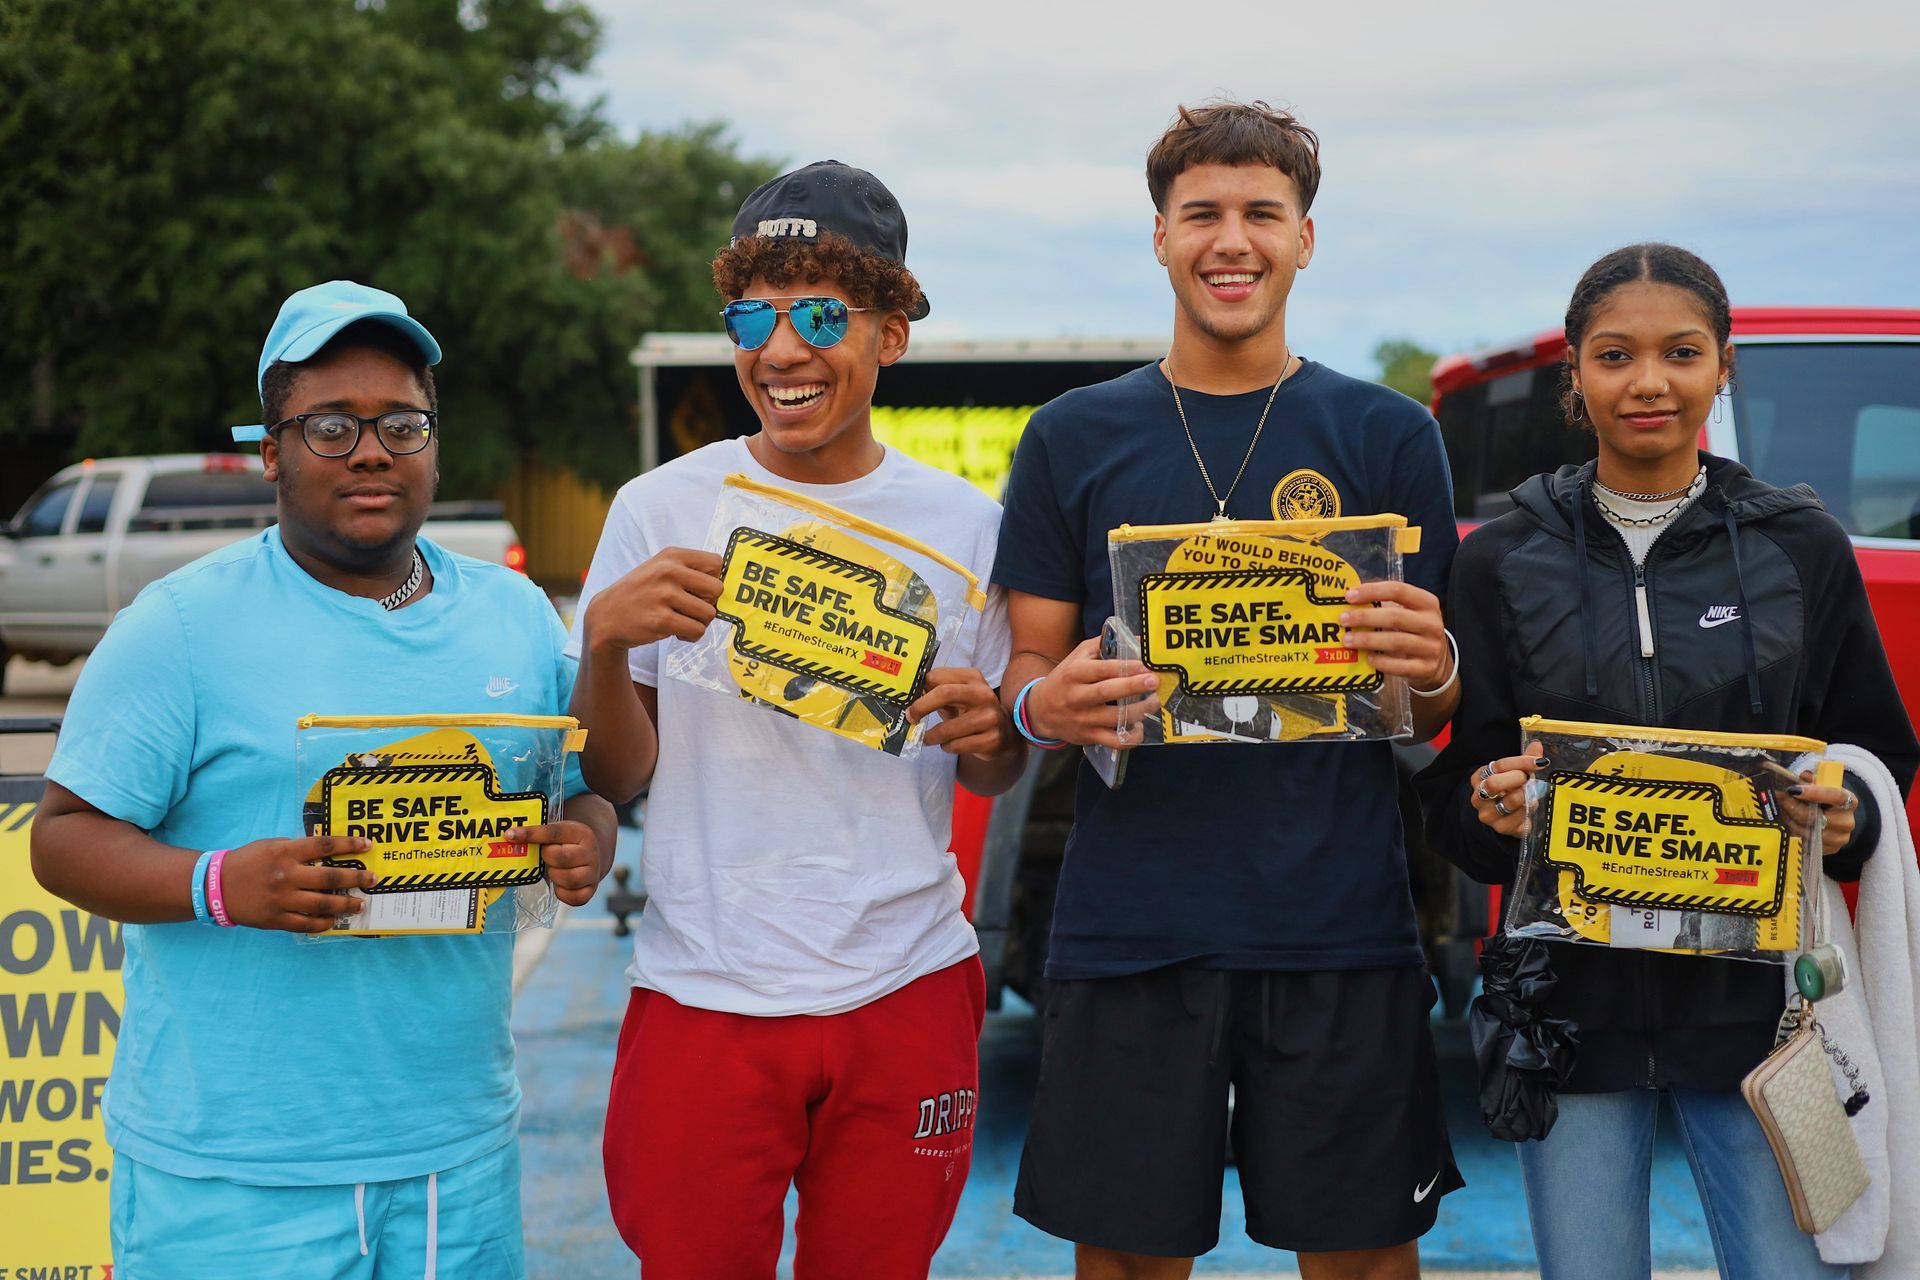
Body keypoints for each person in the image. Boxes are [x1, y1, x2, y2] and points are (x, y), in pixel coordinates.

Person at [29, 280, 615, 1278]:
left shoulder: (514, 613)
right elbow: (61, 835)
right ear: (272, 451)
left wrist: (588, 837)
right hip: (234, 1174)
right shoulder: (179, 627)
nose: (374, 449)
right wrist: (221, 884)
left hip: (454, 1158)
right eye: (332, 426)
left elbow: (586, 785)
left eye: (402, 422)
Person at [995, 100, 1464, 1280]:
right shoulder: (1069, 435)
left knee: (1360, 1253)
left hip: (1340, 923)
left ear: (1306, 238)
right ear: (1159, 236)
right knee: (1128, 1258)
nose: (1231, 240)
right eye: (1201, 213)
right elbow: (1027, 676)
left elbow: (1430, 706)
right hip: (1131, 925)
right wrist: (1043, 708)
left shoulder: (1391, 432)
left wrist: (1436, 666)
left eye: (1263, 212)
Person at [1415, 242, 1920, 1280]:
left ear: (1723, 367)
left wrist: (1850, 818)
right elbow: (1458, 795)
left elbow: (1879, 750)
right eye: (1615, 355)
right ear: (1577, 375)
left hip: (1767, 1022)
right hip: (1569, 1018)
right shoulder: (1501, 557)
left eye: (1681, 352)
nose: (1649, 381)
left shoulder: (1800, 548)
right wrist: (1487, 811)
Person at [569, 161, 1025, 1279]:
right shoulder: (659, 507)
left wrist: (991, 730)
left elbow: (995, 772)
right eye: (752, 315)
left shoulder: (970, 527)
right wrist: (606, 646)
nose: (781, 350)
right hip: (703, 989)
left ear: (890, 334)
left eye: (821, 313)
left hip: (905, 981)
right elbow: (623, 774)